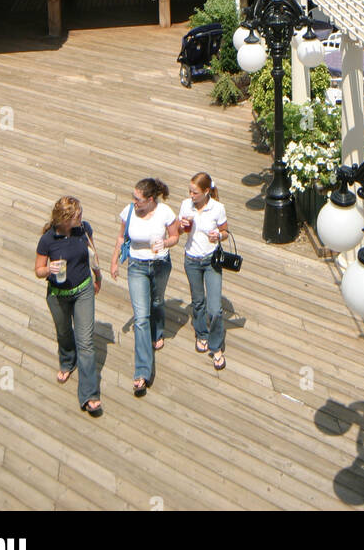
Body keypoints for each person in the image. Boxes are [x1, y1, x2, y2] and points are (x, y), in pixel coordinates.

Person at [110, 178, 181, 395]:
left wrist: (165, 243)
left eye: (138, 199)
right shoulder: (129, 211)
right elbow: (121, 237)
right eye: (133, 197)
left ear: (150, 200)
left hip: (160, 264)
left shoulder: (165, 212)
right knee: (141, 317)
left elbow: (175, 236)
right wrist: (114, 261)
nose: (134, 201)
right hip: (137, 266)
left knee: (157, 301)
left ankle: (157, 331)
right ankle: (142, 371)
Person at [35, 196, 103, 415]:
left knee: (86, 342)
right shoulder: (48, 240)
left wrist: (98, 275)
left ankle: (90, 394)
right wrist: (49, 269)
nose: (81, 217)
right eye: (77, 214)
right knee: (64, 333)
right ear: (65, 219)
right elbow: (38, 270)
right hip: (58, 294)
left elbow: (92, 253)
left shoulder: (83, 229)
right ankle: (67, 361)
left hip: (83, 290)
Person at [179, 172, 229, 371]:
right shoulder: (186, 205)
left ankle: (216, 346)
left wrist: (218, 235)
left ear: (206, 191)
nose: (191, 195)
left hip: (211, 260)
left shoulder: (217, 208)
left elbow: (225, 232)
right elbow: (182, 230)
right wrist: (183, 227)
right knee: (198, 301)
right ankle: (201, 334)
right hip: (191, 259)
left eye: (195, 192)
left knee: (215, 308)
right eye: (190, 191)